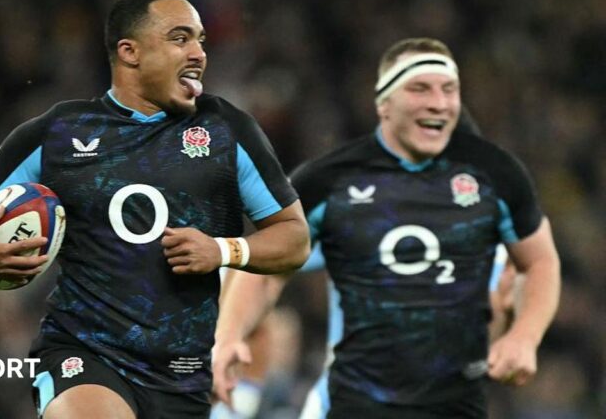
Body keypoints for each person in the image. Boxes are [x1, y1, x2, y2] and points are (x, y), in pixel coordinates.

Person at [0, 0, 310, 418]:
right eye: (180, 38)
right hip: (84, 353)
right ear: (130, 52)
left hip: (184, 374)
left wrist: (224, 250)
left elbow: (294, 239)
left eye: (200, 40)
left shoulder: (226, 131)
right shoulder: (61, 133)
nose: (198, 53)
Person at [212, 37, 560, 419]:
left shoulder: (496, 184)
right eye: (420, 89)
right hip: (351, 404)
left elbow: (539, 262)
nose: (438, 103)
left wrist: (524, 335)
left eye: (448, 90)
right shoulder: (330, 182)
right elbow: (264, 267)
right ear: (384, 103)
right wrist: (227, 337)